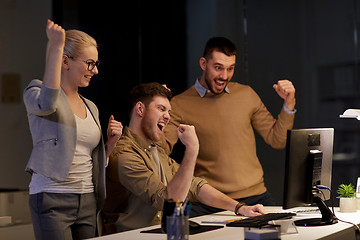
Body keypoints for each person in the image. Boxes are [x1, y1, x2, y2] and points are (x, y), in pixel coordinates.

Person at [100, 82, 265, 234]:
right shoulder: (123, 153)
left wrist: (239, 208)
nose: (167, 117)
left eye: (169, 111)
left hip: (158, 233)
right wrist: (192, 150)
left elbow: (194, 186)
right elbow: (168, 200)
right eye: (161, 109)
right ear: (140, 109)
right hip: (130, 236)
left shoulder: (155, 149)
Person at [162, 37, 296, 217]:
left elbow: (277, 140)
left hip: (257, 196)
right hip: (211, 201)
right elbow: (160, 150)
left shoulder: (246, 94)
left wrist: (289, 104)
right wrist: (157, 106)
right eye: (218, 67)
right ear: (203, 63)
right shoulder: (179, 104)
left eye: (230, 68)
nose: (224, 76)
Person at [23, 20, 123, 240]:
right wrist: (56, 47)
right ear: (65, 62)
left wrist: (109, 146)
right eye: (89, 63)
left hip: (87, 199)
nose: (95, 70)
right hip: (52, 198)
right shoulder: (36, 92)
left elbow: (89, 157)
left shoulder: (91, 106)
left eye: (96, 64)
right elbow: (48, 104)